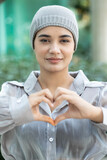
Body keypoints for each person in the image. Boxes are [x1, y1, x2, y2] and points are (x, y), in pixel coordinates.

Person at [0, 5, 107, 160]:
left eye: (64, 40)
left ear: (73, 46)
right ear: (34, 45)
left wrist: (95, 113)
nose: (54, 49)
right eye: (44, 40)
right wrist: (18, 111)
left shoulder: (99, 94)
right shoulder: (11, 92)